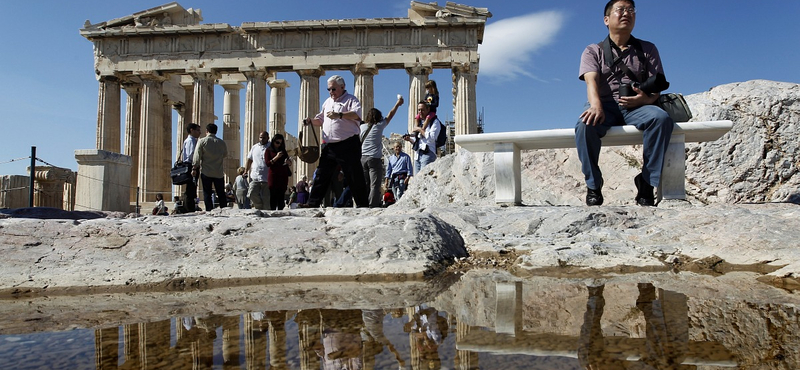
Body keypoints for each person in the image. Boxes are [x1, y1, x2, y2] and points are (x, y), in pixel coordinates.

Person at [575, 0, 673, 207]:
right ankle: (594, 185)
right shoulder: (593, 50)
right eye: (620, 10)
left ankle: (646, 182)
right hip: (604, 105)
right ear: (606, 19)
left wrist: (644, 99)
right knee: (585, 125)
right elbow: (591, 81)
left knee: (661, 118)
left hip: (638, 106)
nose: (626, 13)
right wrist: (596, 106)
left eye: (631, 10)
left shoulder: (647, 49)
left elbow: (658, 86)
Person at [302, 75, 369, 208]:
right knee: (321, 174)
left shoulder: (351, 99)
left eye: (333, 89)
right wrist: (310, 121)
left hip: (348, 144)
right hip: (329, 145)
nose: (330, 92)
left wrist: (340, 115)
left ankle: (363, 205)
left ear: (342, 87)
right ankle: (312, 203)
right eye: (328, 89)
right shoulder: (327, 102)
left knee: (354, 175)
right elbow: (320, 120)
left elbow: (357, 115)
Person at [361, 96, 404, 207]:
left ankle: (362, 203)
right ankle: (372, 204)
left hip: (362, 158)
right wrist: (397, 104)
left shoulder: (361, 127)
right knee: (374, 184)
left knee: (364, 184)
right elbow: (390, 115)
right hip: (374, 158)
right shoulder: (379, 126)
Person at [192, 123, 228, 211]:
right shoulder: (222, 142)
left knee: (207, 192)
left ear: (207, 131)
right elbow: (225, 154)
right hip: (218, 172)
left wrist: (194, 168)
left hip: (206, 171)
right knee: (221, 193)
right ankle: (224, 209)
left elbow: (197, 156)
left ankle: (209, 209)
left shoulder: (202, 141)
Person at [404, 101, 441, 173]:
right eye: (419, 110)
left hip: (428, 153)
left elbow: (432, 138)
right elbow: (417, 141)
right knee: (417, 180)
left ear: (428, 109)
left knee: (424, 178)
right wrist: (409, 140)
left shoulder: (435, 122)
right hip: (417, 155)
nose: (420, 112)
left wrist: (420, 129)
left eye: (422, 110)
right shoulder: (419, 123)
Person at [265, 133, 291, 210]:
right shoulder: (268, 151)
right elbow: (268, 163)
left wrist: (289, 162)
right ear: (273, 141)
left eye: (280, 143)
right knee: (273, 195)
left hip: (283, 175)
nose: (279, 144)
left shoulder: (283, 151)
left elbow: (287, 161)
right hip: (273, 175)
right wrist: (276, 157)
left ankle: (280, 212)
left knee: (281, 196)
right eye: (277, 142)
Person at [245, 131, 270, 210]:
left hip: (267, 177)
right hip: (255, 176)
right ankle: (259, 206)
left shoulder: (271, 147)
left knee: (267, 199)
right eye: (260, 137)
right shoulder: (254, 147)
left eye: (264, 137)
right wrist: (246, 171)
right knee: (251, 193)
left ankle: (267, 214)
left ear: (268, 138)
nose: (262, 139)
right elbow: (249, 160)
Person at [180, 123, 201, 212]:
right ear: (192, 130)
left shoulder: (189, 140)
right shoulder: (191, 141)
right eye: (198, 130)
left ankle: (188, 207)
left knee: (191, 187)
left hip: (190, 165)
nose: (199, 132)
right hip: (191, 165)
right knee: (191, 188)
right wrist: (194, 167)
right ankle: (189, 208)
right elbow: (192, 155)